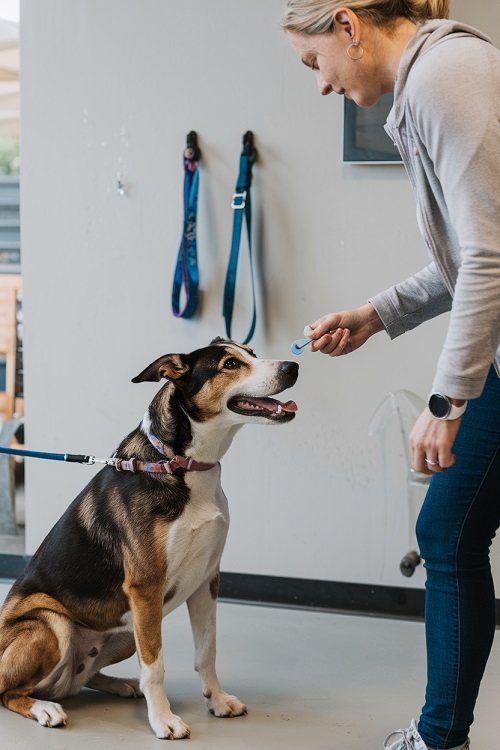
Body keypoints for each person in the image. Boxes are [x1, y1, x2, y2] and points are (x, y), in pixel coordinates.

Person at [283, 2, 500, 749]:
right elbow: (469, 253)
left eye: (315, 64)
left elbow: (490, 259)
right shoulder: (430, 83)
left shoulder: (447, 75)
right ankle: (443, 737)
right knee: (447, 529)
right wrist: (375, 314)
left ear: (347, 25)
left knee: (449, 528)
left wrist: (448, 398)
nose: (320, 86)